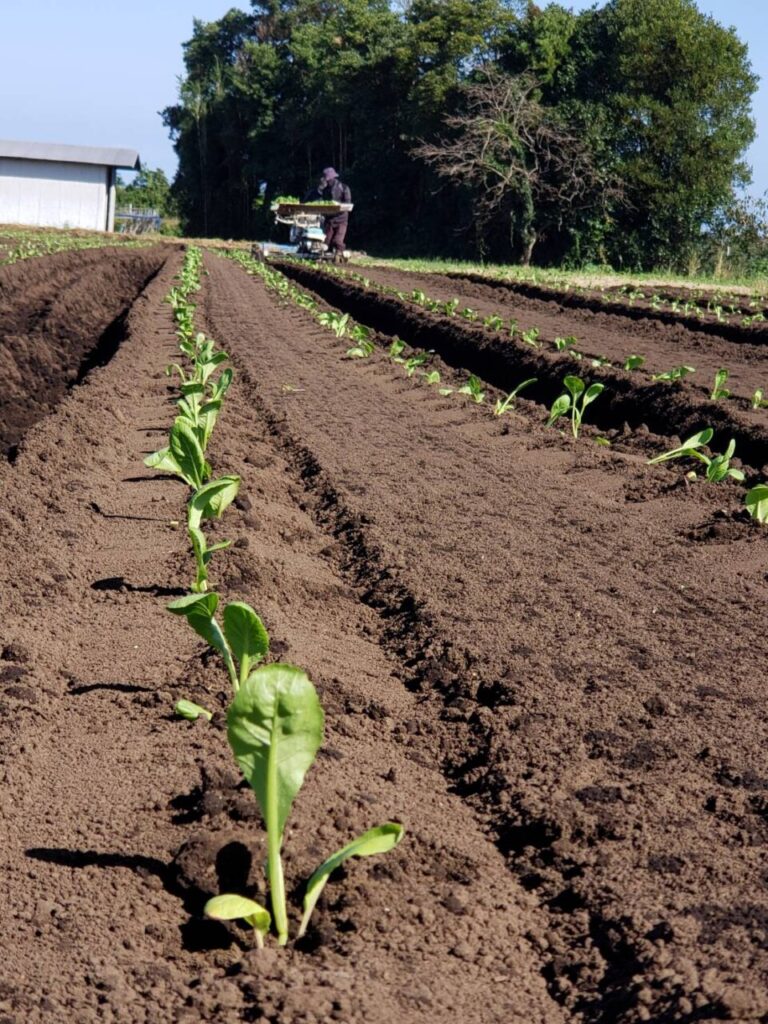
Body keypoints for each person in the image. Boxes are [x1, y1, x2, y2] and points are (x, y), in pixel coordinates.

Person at [315, 167, 352, 256]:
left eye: (328, 180)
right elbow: (323, 203)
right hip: (329, 219)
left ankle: (340, 256)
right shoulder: (325, 190)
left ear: (332, 178)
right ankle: (326, 259)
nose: (327, 182)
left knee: (337, 241)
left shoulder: (344, 188)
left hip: (341, 219)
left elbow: (348, 204)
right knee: (326, 243)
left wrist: (337, 205)